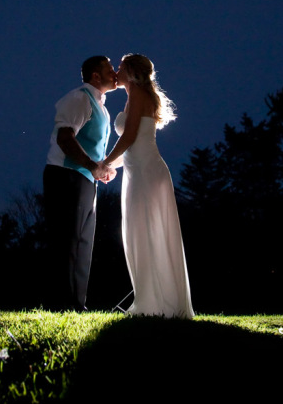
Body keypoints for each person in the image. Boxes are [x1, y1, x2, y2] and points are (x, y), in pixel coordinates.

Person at [101, 54, 194, 319]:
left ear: (132, 72)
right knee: (140, 232)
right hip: (139, 171)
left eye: (120, 68)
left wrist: (104, 163)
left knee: (147, 232)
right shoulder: (135, 96)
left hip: (146, 173)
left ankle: (156, 303)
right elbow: (134, 144)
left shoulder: (139, 95)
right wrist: (111, 167)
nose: (116, 72)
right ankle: (151, 298)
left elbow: (130, 136)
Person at [43, 56, 118, 311]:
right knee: (67, 240)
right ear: (95, 76)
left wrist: (102, 168)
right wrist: (92, 166)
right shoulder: (79, 98)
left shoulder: (102, 108)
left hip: (85, 180)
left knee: (84, 242)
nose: (115, 73)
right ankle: (60, 304)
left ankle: (77, 304)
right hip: (65, 176)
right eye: (110, 69)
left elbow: (93, 147)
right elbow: (65, 137)